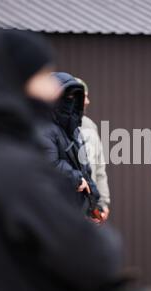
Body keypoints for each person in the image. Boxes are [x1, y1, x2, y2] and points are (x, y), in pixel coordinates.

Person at [0, 29, 122, 291]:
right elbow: (95, 257)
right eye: (40, 76)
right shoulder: (16, 168)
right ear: (12, 83)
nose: (51, 89)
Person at [37, 72, 104, 222]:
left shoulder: (72, 130)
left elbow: (85, 168)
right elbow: (48, 163)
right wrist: (76, 178)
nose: (71, 101)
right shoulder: (44, 128)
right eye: (67, 97)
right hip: (56, 215)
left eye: (75, 97)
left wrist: (94, 205)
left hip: (77, 213)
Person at [76, 77, 111, 223]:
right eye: (84, 96)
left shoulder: (90, 126)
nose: (87, 101)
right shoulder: (52, 128)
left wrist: (102, 203)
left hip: (90, 206)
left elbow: (99, 168)